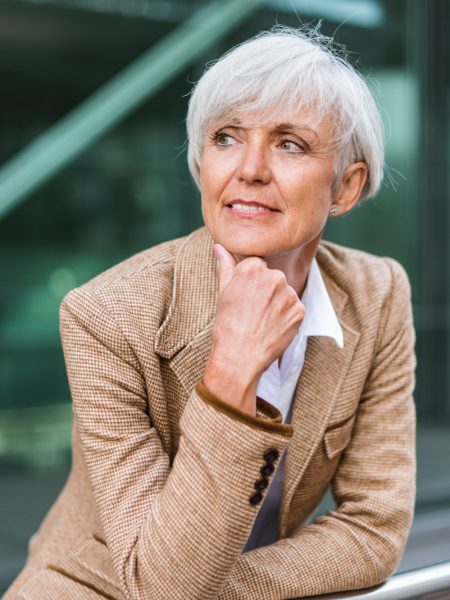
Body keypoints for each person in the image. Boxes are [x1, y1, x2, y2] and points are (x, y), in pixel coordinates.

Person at [5, 25, 416, 600]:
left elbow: (375, 529)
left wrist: (221, 588)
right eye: (226, 137)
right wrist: (232, 369)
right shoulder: (105, 314)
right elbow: (162, 587)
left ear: (346, 188)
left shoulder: (378, 292)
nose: (248, 168)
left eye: (289, 144)